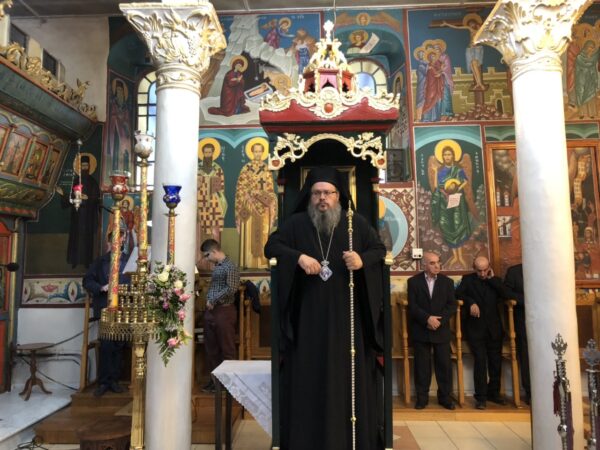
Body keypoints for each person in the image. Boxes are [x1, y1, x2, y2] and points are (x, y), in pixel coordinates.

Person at [264, 166, 386, 450]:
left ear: (338, 196)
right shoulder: (296, 224)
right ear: (310, 196)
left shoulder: (356, 224)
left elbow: (379, 250)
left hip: (348, 321)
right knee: (310, 378)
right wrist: (298, 257)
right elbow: (271, 247)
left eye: (328, 193)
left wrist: (362, 260)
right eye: (317, 193)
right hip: (308, 321)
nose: (322, 198)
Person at [456, 256, 508, 409]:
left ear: (489, 267)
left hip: (494, 329)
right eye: (479, 271)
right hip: (476, 328)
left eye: (485, 270)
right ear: (474, 268)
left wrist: (492, 280)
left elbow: (506, 294)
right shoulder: (467, 280)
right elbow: (457, 294)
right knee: (480, 362)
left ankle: (494, 393)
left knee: (495, 362)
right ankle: (481, 397)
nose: (483, 273)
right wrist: (470, 302)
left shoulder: (496, 281)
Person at [407, 252, 457, 410]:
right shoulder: (413, 282)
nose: (437, 266)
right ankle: (422, 398)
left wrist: (437, 321)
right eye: (432, 263)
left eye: (438, 262)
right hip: (421, 329)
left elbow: (451, 306)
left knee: (444, 366)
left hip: (441, 329)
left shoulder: (447, 282)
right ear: (424, 265)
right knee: (422, 367)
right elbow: (413, 306)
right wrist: (427, 319)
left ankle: (445, 398)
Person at [82, 232, 130, 396]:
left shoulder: (129, 261)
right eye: (116, 241)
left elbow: (134, 281)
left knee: (119, 344)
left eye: (121, 241)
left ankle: (114, 380)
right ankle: (104, 382)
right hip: (105, 308)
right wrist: (101, 287)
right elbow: (87, 281)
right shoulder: (100, 262)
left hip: (124, 308)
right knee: (107, 344)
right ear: (109, 243)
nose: (119, 244)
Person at [200, 239, 240, 393]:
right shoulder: (218, 266)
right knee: (212, 349)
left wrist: (213, 299)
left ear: (214, 251)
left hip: (224, 311)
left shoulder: (230, 266)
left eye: (207, 255)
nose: (206, 259)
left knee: (227, 349)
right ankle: (215, 381)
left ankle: (228, 384)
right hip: (212, 312)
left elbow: (232, 288)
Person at [235, 141, 277, 269]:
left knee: (263, 234)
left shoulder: (266, 169)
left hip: (264, 207)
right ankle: (247, 263)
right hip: (249, 206)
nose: (257, 154)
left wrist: (261, 194)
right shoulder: (246, 168)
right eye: (255, 151)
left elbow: (270, 190)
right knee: (248, 234)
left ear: (262, 153)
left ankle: (263, 263)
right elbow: (240, 188)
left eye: (260, 151)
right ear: (252, 152)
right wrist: (248, 194)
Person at [58, 154, 101, 268]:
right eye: (83, 165)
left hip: (88, 216)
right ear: (80, 167)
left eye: (86, 165)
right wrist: (63, 195)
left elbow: (96, 198)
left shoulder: (93, 182)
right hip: (77, 216)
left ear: (89, 167)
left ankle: (87, 262)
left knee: (87, 239)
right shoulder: (76, 180)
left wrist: (88, 198)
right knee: (75, 239)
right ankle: (75, 261)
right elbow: (72, 197)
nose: (84, 167)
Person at [503, 263, 531, 405]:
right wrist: (527, 300)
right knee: (526, 355)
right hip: (523, 317)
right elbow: (506, 292)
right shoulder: (514, 271)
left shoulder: (547, 268)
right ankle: (530, 392)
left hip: (547, 319)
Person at [197, 142, 227, 268]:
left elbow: (220, 189)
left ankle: (214, 262)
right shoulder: (197, 168)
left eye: (210, 152)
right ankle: (201, 263)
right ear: (202, 153)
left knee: (214, 230)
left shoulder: (217, 168)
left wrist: (214, 189)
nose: (208, 155)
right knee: (200, 231)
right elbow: (195, 186)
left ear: (213, 153)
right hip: (200, 203)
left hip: (214, 204)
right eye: (206, 152)